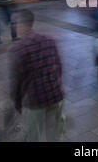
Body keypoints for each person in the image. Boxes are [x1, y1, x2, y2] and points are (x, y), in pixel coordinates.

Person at [10, 9, 65, 142]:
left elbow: (17, 81)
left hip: (35, 100)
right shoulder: (49, 40)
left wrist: (17, 103)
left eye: (14, 23)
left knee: (33, 136)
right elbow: (59, 67)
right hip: (56, 95)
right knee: (56, 135)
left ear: (21, 25)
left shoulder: (18, 49)